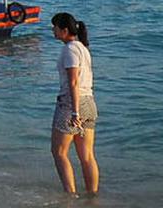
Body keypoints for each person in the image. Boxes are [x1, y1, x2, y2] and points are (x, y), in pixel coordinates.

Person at [50, 12, 99, 198]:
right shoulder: (83, 48)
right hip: (89, 102)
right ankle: (92, 196)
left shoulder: (70, 49)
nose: (53, 30)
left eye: (55, 27)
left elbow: (73, 82)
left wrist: (75, 112)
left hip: (72, 104)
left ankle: (70, 196)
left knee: (59, 152)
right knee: (87, 155)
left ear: (64, 30)